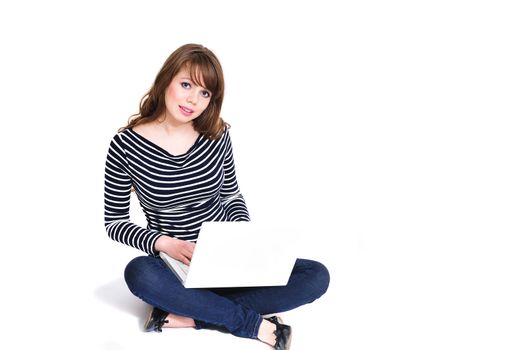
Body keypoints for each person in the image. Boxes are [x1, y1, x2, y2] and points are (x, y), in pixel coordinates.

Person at [103, 43, 330, 350]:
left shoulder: (217, 135)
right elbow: (115, 222)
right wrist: (163, 242)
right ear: (166, 80)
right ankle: (250, 324)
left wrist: (242, 234)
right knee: (138, 273)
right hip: (175, 267)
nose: (193, 100)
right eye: (186, 85)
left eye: (205, 93)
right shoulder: (124, 145)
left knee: (316, 275)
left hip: (229, 258)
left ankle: (192, 315)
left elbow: (231, 195)